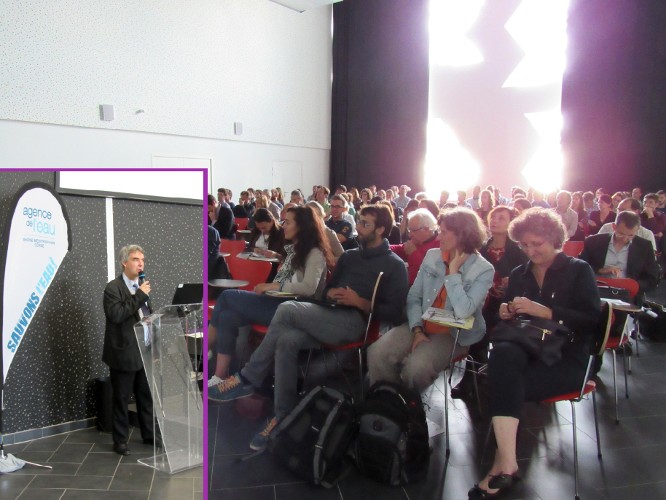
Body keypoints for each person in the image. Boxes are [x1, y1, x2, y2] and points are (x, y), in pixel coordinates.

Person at [210, 204, 409, 451]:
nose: (358, 227)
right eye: (359, 221)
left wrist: (361, 302)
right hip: (328, 314)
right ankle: (283, 415)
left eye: (365, 224)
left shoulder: (395, 265)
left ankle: (248, 377)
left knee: (286, 309)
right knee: (287, 340)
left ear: (381, 229)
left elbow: (396, 314)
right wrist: (331, 292)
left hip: (355, 323)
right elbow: (322, 292)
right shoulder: (349, 257)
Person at [469, 208, 601, 498]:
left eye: (536, 244)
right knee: (503, 354)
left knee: (502, 382)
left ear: (555, 239)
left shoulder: (578, 270)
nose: (530, 250)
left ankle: (502, 465)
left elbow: (593, 320)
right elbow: (516, 324)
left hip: (570, 357)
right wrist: (505, 312)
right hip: (531, 349)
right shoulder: (520, 273)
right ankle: (506, 463)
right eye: (524, 245)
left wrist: (550, 313)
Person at [367, 207, 493, 392]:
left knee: (416, 368)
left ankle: (409, 408)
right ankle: (389, 403)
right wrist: (417, 329)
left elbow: (463, 313)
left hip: (454, 333)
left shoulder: (483, 269)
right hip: (422, 323)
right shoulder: (433, 256)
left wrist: (453, 272)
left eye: (444, 232)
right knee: (377, 352)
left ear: (463, 235)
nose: (438, 237)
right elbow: (414, 297)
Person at [208, 205, 333, 385]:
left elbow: (309, 288)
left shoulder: (315, 253)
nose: (283, 225)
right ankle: (219, 377)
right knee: (227, 316)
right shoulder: (295, 250)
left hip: (291, 309)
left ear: (302, 226)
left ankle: (205, 349)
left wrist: (273, 285)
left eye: (288, 222)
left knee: (227, 296)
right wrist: (277, 263)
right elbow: (290, 277)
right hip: (276, 301)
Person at [451, 206, 528, 398]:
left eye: (501, 218)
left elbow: (528, 277)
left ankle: (489, 374)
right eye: (493, 217)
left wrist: (512, 281)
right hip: (483, 299)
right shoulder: (481, 247)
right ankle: (473, 376)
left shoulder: (519, 250)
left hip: (510, 303)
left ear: (511, 223)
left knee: (491, 327)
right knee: (476, 325)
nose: (495, 221)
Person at [102, 245, 156, 456]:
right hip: (124, 352)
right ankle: (120, 441)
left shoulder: (143, 285)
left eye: (142, 259)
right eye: (135, 259)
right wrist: (140, 296)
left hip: (144, 349)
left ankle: (149, 435)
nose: (140, 263)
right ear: (124, 262)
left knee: (146, 397)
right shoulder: (113, 288)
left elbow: (146, 315)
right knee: (122, 399)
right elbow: (116, 314)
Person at [579, 210, 659, 297]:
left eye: (631, 235)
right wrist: (599, 270)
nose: (625, 239)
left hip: (627, 294)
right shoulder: (594, 241)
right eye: (621, 234)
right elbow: (580, 267)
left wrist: (632, 284)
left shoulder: (644, 246)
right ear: (614, 227)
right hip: (596, 289)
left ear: (637, 230)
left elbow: (652, 279)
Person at [390, 208, 440, 285]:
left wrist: (414, 254)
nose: (410, 235)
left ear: (426, 229)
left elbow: (431, 274)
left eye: (413, 230)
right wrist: (381, 245)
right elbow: (398, 249)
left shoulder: (440, 246)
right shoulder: (417, 241)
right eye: (409, 230)